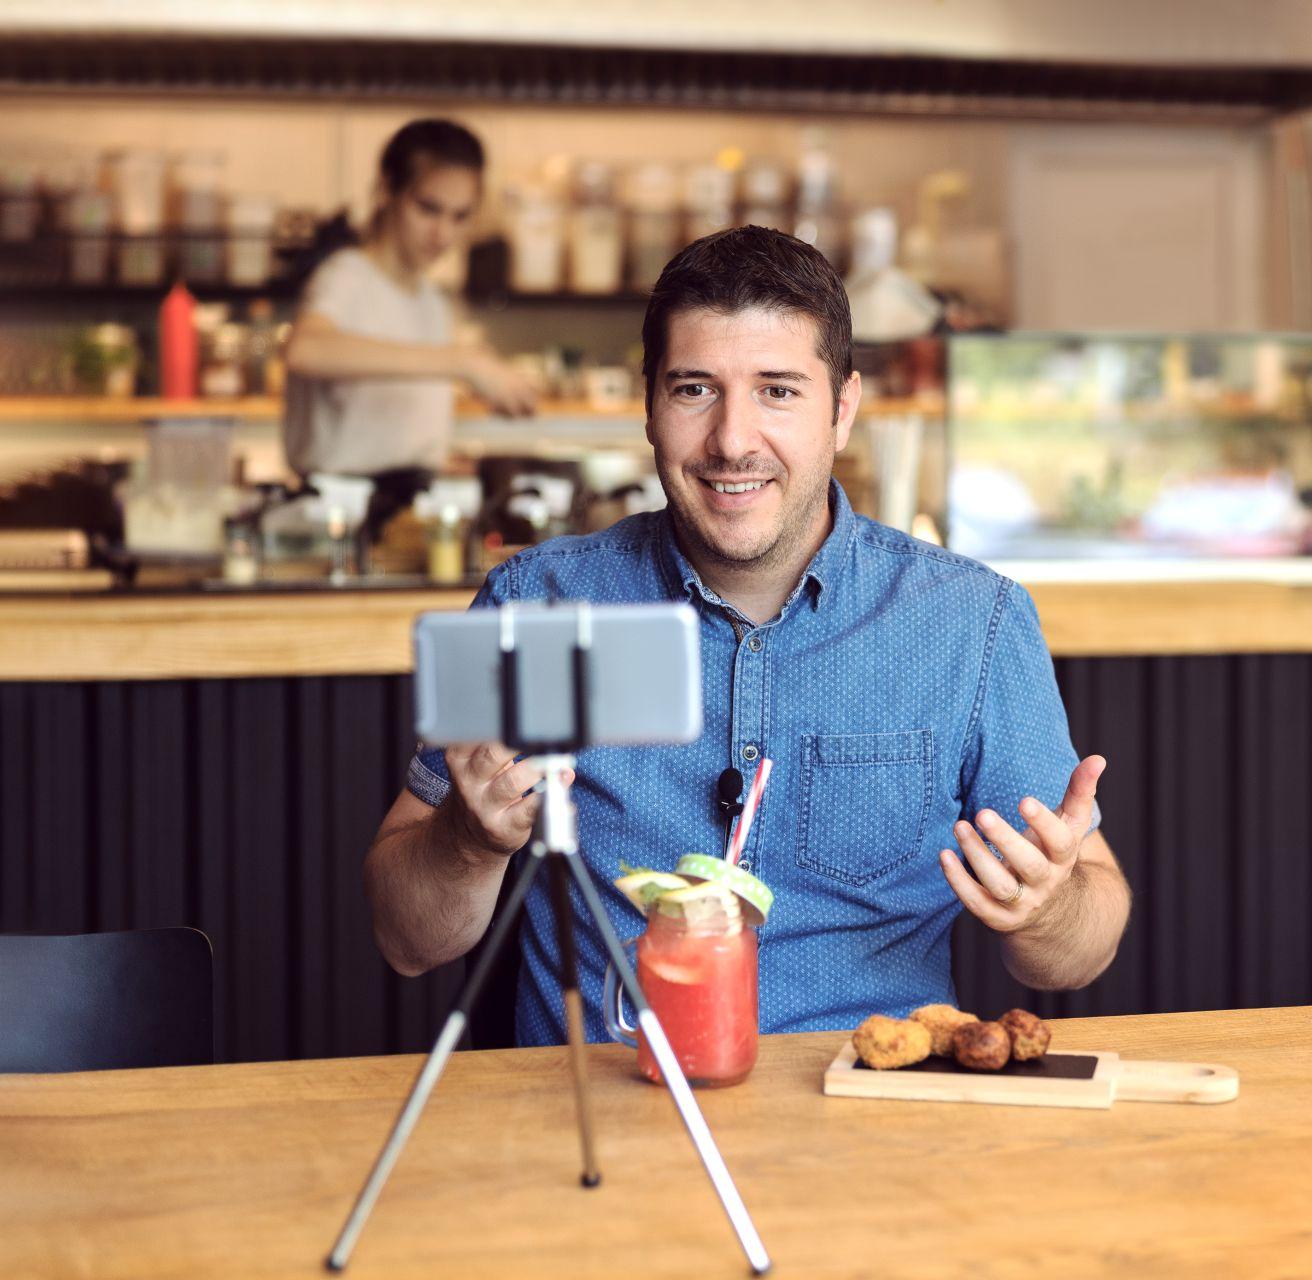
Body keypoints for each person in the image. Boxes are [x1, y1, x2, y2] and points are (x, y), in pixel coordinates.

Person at [362, 226, 1130, 1041]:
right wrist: (468, 842)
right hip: (604, 1121)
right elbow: (409, 942)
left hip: (868, 1114)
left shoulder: (971, 622)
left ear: (842, 411)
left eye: (778, 391)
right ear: (648, 405)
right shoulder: (540, 603)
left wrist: (1048, 910)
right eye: (695, 389)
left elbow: (1076, 955)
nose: (732, 441)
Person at [282, 118, 537, 485]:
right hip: (342, 511)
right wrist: (463, 362)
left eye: (460, 216)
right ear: (387, 190)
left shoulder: (431, 300)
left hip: (412, 506)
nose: (443, 233)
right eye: (429, 209)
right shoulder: (347, 275)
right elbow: (304, 349)